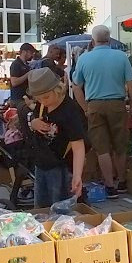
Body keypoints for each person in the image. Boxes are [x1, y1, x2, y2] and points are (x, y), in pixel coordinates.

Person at [70, 26, 132, 199]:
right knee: (120, 145)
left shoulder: (84, 58)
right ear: (109, 39)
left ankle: (109, 186)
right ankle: (121, 181)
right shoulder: (121, 57)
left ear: (93, 40)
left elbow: (76, 86)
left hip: (94, 105)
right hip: (117, 104)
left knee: (102, 148)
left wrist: (85, 108)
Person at [19, 68, 85, 207]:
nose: (43, 101)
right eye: (39, 98)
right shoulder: (42, 104)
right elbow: (36, 118)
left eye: (47, 97)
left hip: (61, 167)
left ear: (57, 89)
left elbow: (78, 146)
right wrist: (34, 123)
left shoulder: (70, 110)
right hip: (42, 163)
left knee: (60, 209)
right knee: (41, 208)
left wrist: (77, 176)